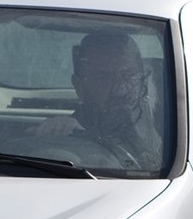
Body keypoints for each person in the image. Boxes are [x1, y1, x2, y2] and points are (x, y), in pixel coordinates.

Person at [31, 30, 165, 171]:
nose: (121, 89)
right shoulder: (67, 135)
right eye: (104, 78)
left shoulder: (165, 122)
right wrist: (60, 132)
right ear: (79, 86)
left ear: (142, 77)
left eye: (129, 75)